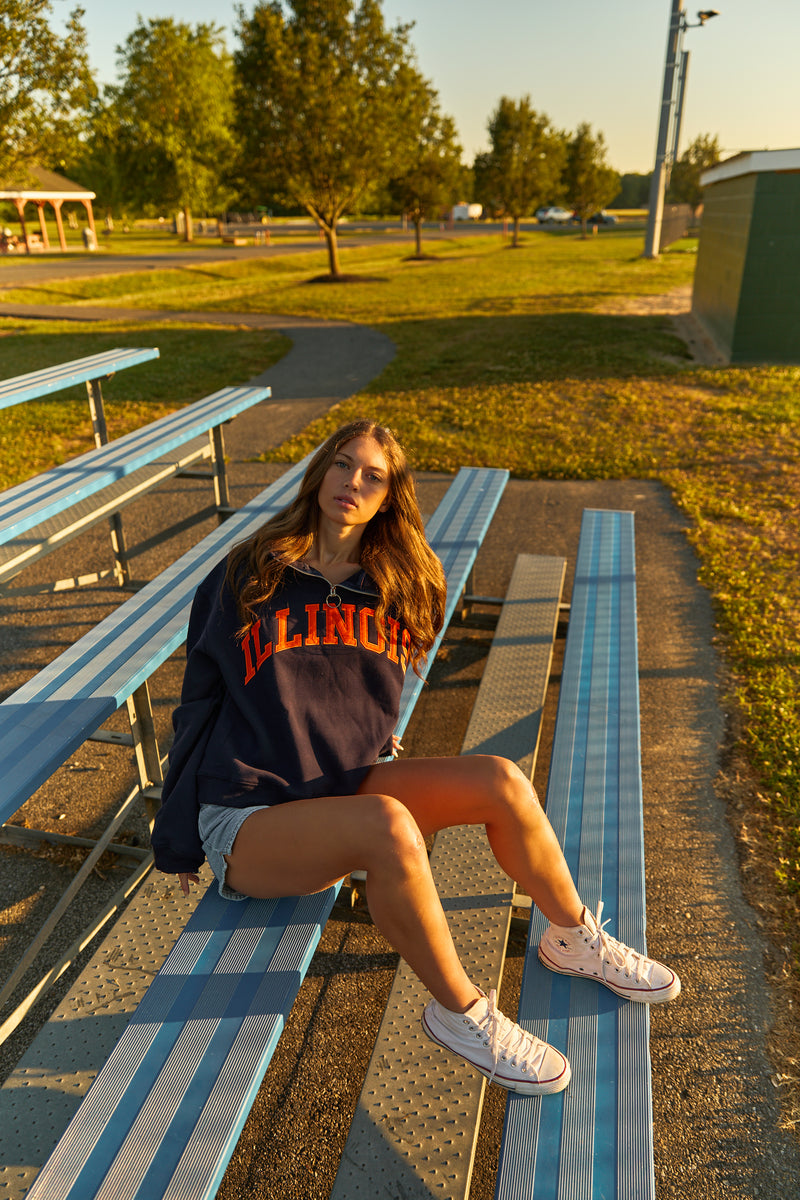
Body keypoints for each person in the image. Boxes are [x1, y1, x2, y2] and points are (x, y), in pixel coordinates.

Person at [152, 418, 680, 1097]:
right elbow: (196, 706)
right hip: (250, 817)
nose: (353, 482)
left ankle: (572, 936)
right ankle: (461, 1014)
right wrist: (174, 842)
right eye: (343, 464)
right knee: (388, 826)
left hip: (337, 785)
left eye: (373, 475)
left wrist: (375, 742)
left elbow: (362, 691)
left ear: (390, 495)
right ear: (321, 474)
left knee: (499, 780)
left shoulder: (391, 585)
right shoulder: (247, 575)